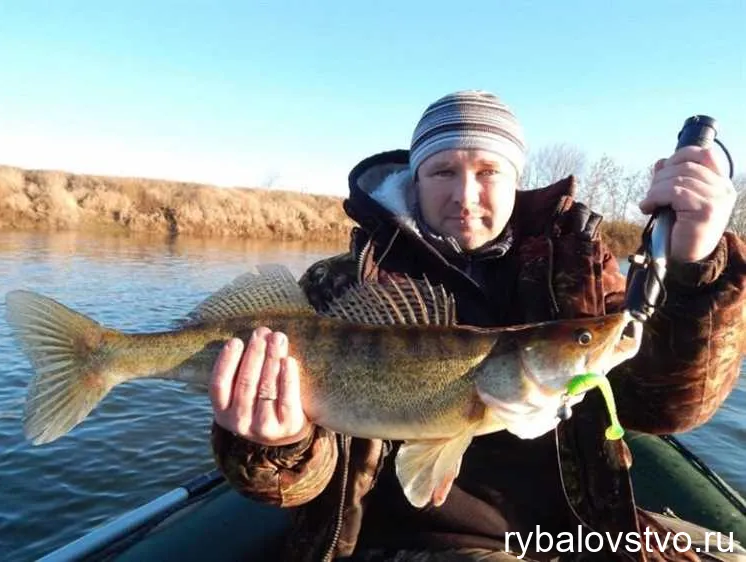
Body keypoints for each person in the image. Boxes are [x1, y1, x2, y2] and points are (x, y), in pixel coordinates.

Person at [208, 91, 746, 561]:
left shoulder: (579, 269)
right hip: (415, 540)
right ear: (414, 178)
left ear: (517, 181)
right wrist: (279, 446)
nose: (466, 195)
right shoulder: (342, 285)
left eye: (489, 171)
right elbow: (300, 486)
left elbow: (666, 408)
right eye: (443, 171)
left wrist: (695, 263)